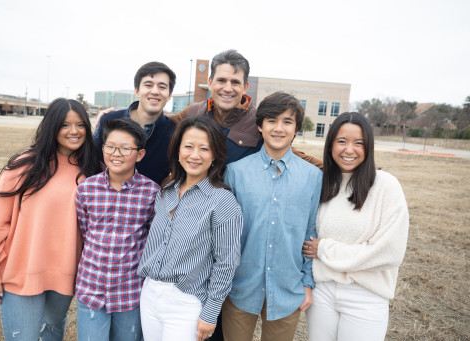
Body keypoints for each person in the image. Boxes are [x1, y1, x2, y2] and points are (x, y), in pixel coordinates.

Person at [0, 98, 102, 340]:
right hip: (21, 274)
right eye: (65, 125)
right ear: (52, 127)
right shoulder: (24, 166)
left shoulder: (93, 171)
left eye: (80, 125)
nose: (74, 131)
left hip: (66, 276)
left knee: (52, 335)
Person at [222, 92, 322, 341]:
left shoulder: (313, 177)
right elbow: (223, 234)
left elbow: (312, 232)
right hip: (239, 288)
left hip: (288, 289)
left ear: (297, 128)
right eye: (271, 121)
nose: (279, 128)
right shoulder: (235, 173)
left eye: (287, 122)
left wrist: (307, 284)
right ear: (260, 126)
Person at [303, 112, 409, 341]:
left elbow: (390, 252)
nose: (349, 150)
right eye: (342, 141)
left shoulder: (386, 186)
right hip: (322, 292)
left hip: (366, 295)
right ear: (330, 145)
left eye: (358, 143)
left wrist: (325, 250)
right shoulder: (323, 184)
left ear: (368, 147)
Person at [137, 115, 243, 341]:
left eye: (204, 148)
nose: (195, 155)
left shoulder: (222, 201)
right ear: (177, 150)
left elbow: (226, 263)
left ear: (214, 155)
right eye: (188, 146)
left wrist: (211, 312)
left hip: (185, 302)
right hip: (150, 293)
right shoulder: (166, 191)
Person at [75, 118, 159, 341]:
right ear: (102, 149)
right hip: (91, 287)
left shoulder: (151, 192)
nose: (116, 154)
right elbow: (85, 231)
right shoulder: (86, 188)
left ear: (140, 154)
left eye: (125, 148)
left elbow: (152, 239)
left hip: (130, 290)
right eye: (110, 147)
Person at [169, 49, 323, 170]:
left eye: (235, 82)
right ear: (210, 83)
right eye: (221, 80)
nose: (228, 88)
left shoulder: (258, 121)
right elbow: (160, 124)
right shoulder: (193, 113)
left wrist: (339, 171)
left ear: (245, 87)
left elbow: (292, 156)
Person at [93, 61, 176, 184]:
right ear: (137, 91)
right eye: (148, 85)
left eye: (162, 87)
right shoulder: (108, 121)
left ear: (169, 95)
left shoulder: (174, 132)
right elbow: (89, 159)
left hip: (151, 201)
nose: (155, 91)